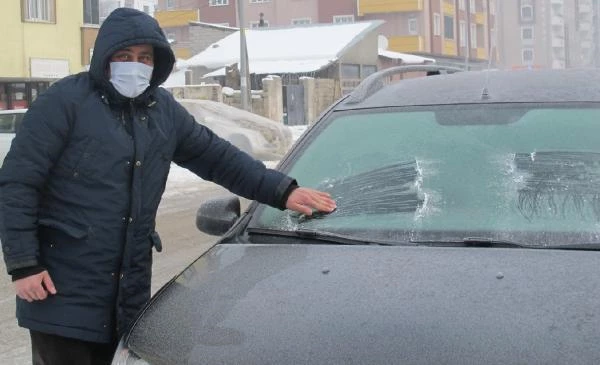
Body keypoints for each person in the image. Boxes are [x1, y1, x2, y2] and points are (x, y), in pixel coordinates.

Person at [0, 7, 336, 365]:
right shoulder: (63, 103)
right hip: (61, 289)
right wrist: (24, 265)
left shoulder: (162, 111)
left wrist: (283, 191)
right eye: (124, 56)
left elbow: (218, 157)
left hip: (127, 290)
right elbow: (18, 184)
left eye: (145, 57)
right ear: (104, 58)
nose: (135, 64)